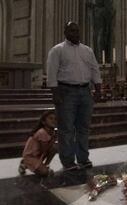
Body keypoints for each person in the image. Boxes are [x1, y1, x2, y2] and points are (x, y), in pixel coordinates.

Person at [47, 21, 102, 171]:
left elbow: (95, 69)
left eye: (77, 31)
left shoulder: (87, 50)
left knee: (83, 128)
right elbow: (52, 73)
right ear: (65, 33)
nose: (75, 34)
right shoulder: (57, 50)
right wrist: (55, 93)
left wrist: (98, 89)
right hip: (66, 92)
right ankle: (68, 161)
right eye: (71, 31)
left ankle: (83, 158)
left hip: (85, 91)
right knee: (66, 129)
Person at [18, 111, 57, 177]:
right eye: (51, 118)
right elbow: (44, 150)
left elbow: (49, 148)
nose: (54, 120)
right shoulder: (42, 132)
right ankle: (25, 163)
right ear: (43, 122)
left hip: (38, 154)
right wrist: (52, 140)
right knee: (44, 173)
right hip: (31, 156)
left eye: (55, 119)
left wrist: (53, 138)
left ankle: (46, 165)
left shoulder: (52, 131)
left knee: (54, 148)